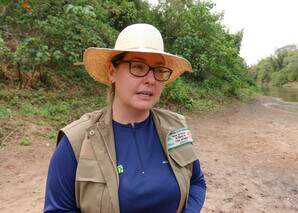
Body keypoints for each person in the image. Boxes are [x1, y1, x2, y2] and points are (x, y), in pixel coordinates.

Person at [44, 23, 206, 213]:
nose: (151, 79)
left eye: (158, 70)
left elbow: (197, 182)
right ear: (112, 72)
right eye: (137, 66)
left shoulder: (175, 127)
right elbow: (58, 210)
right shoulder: (76, 141)